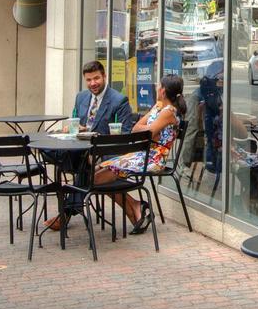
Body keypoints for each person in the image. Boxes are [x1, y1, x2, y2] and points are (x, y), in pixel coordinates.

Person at [71, 75, 183, 237]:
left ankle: (136, 208)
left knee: (96, 179)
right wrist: (150, 131)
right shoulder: (158, 107)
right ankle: (136, 206)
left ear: (163, 91)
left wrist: (150, 130)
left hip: (153, 159)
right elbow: (135, 128)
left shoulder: (169, 112)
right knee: (95, 175)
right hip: (141, 154)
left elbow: (148, 132)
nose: (157, 88)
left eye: (159, 86)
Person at [70, 59, 134, 133]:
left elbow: (124, 134)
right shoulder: (80, 97)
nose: (93, 83)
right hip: (79, 143)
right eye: (88, 80)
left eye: (96, 78)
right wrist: (72, 128)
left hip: (103, 144)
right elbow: (74, 124)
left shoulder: (120, 101)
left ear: (104, 76)